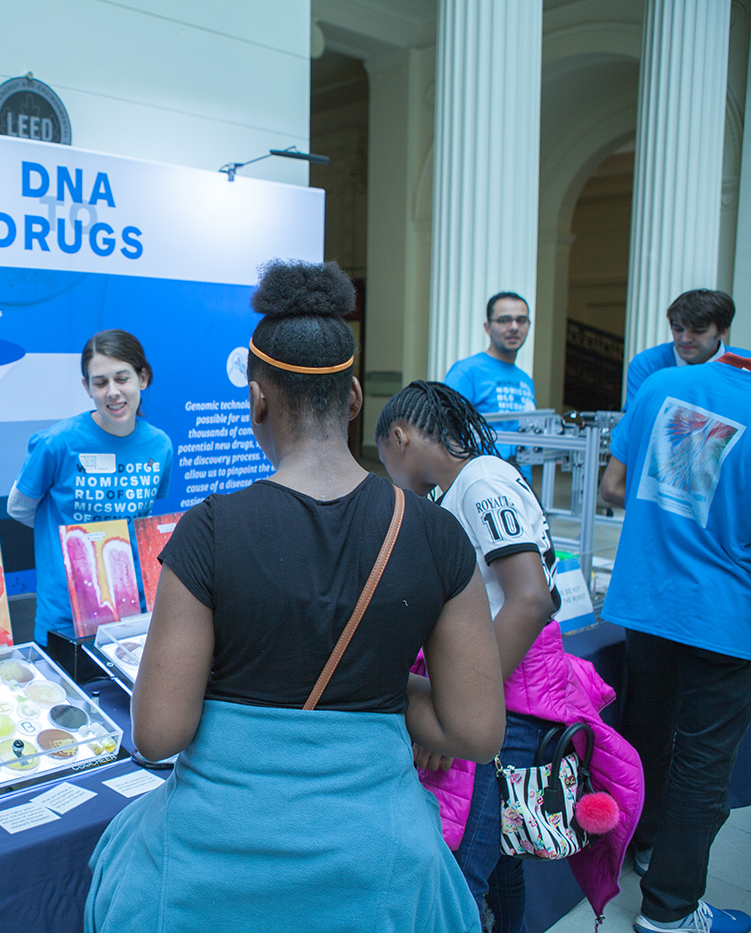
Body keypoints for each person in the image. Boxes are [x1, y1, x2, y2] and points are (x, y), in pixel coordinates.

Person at [84, 261, 504, 932]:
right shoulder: (434, 533)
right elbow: (476, 732)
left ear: (256, 400)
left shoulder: (210, 530)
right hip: (383, 867)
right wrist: (380, 688)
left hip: (211, 869)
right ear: (357, 397)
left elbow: (159, 733)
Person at [376, 381, 642, 930]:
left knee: (464, 871)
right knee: (498, 866)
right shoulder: (461, 489)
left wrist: (456, 707)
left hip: (507, 698)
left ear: (398, 437)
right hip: (497, 686)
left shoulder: (480, 481)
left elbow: (528, 598)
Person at [598, 353, 751, 933]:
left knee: (648, 733)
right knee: (703, 762)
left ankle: (642, 847)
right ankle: (670, 911)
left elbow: (615, 484)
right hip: (725, 614)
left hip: (647, 597)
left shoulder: (662, 384)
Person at [7, 329, 172, 646]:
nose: (113, 392)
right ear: (87, 387)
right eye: (100, 382)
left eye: (122, 378)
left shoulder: (160, 446)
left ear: (143, 378)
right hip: (65, 612)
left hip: (132, 609)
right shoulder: (56, 442)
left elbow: (143, 519)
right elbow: (19, 508)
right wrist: (62, 535)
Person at [444, 292, 537, 477]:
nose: (514, 327)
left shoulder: (525, 380)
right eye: (504, 320)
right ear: (488, 327)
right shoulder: (466, 371)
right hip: (481, 483)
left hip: (521, 485)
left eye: (521, 320)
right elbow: (445, 431)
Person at [625, 289, 747, 407]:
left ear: (722, 331)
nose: (685, 339)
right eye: (678, 329)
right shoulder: (647, 364)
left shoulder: (746, 365)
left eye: (698, 331)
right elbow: (635, 423)